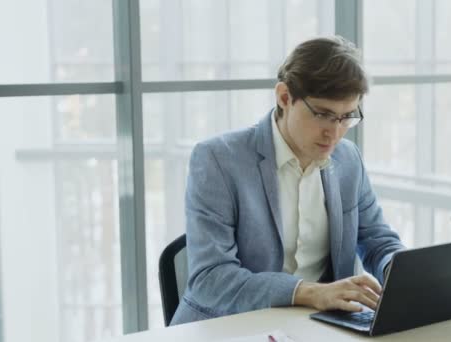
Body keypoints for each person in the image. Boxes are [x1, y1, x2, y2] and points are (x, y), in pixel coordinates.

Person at [171, 36, 405, 325]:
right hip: (231, 326)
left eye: (347, 117)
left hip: (317, 327)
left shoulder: (347, 159)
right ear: (284, 97)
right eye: (323, 115)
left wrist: (404, 272)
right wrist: (309, 292)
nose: (335, 133)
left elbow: (376, 240)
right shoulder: (218, 160)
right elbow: (211, 279)